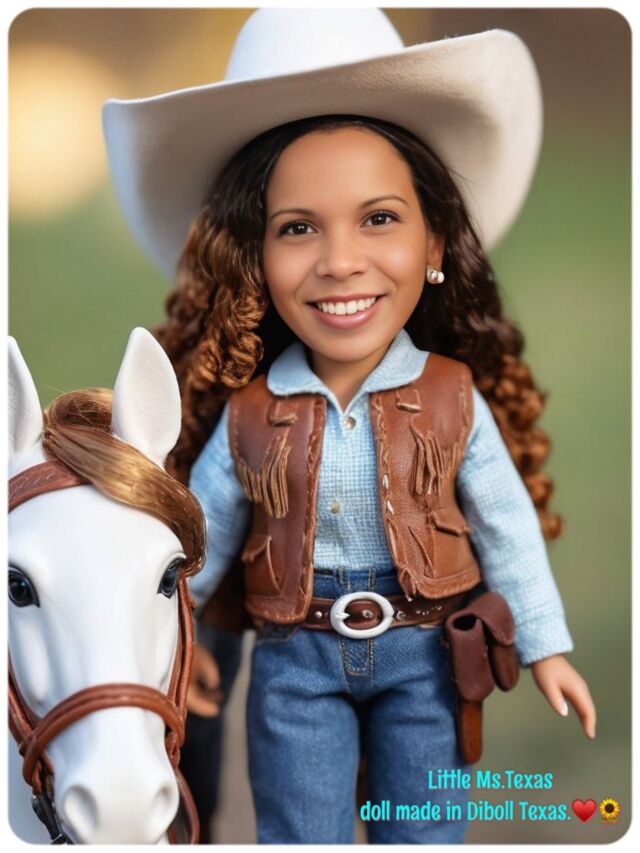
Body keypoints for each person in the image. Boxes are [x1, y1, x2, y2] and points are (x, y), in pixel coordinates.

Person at [103, 8, 596, 843]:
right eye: (297, 228)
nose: (339, 262)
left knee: (425, 828)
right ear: (255, 258)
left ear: (433, 242)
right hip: (294, 661)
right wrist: (182, 645)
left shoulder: (451, 396)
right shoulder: (252, 413)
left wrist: (545, 645)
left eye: (379, 218)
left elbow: (505, 525)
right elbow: (203, 536)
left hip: (427, 656)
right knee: (301, 829)